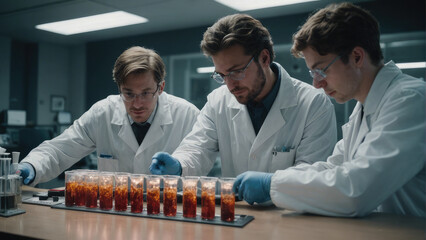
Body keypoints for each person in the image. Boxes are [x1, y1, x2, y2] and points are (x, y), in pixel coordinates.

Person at [233, 2, 426, 217]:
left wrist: (272, 184)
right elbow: (334, 169)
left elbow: (355, 191)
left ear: (357, 57)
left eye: (321, 70)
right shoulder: (364, 109)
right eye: (312, 73)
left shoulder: (410, 100)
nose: (316, 84)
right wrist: (275, 181)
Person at [150, 14, 337, 178]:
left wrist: (270, 185)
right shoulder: (218, 101)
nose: (230, 85)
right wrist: (179, 165)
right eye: (221, 75)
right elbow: (197, 148)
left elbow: (311, 174)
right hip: (236, 214)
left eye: (236, 72)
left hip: (289, 214)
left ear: (264, 58)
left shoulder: (314, 103)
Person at [18, 46, 200, 186]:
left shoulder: (186, 115)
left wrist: (180, 168)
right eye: (128, 94)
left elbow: (203, 164)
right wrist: (31, 166)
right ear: (119, 88)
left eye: (145, 93)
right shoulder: (102, 112)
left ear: (160, 88)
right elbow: (60, 150)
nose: (137, 104)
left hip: (168, 214)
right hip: (116, 214)